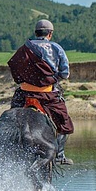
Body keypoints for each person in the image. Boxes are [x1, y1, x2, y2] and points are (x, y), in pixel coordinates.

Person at [7, 18, 75, 164]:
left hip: (24, 93)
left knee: (12, 118)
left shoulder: (24, 48)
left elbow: (14, 68)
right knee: (64, 122)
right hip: (47, 94)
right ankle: (60, 156)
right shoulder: (56, 48)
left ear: (36, 33)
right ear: (50, 34)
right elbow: (65, 73)